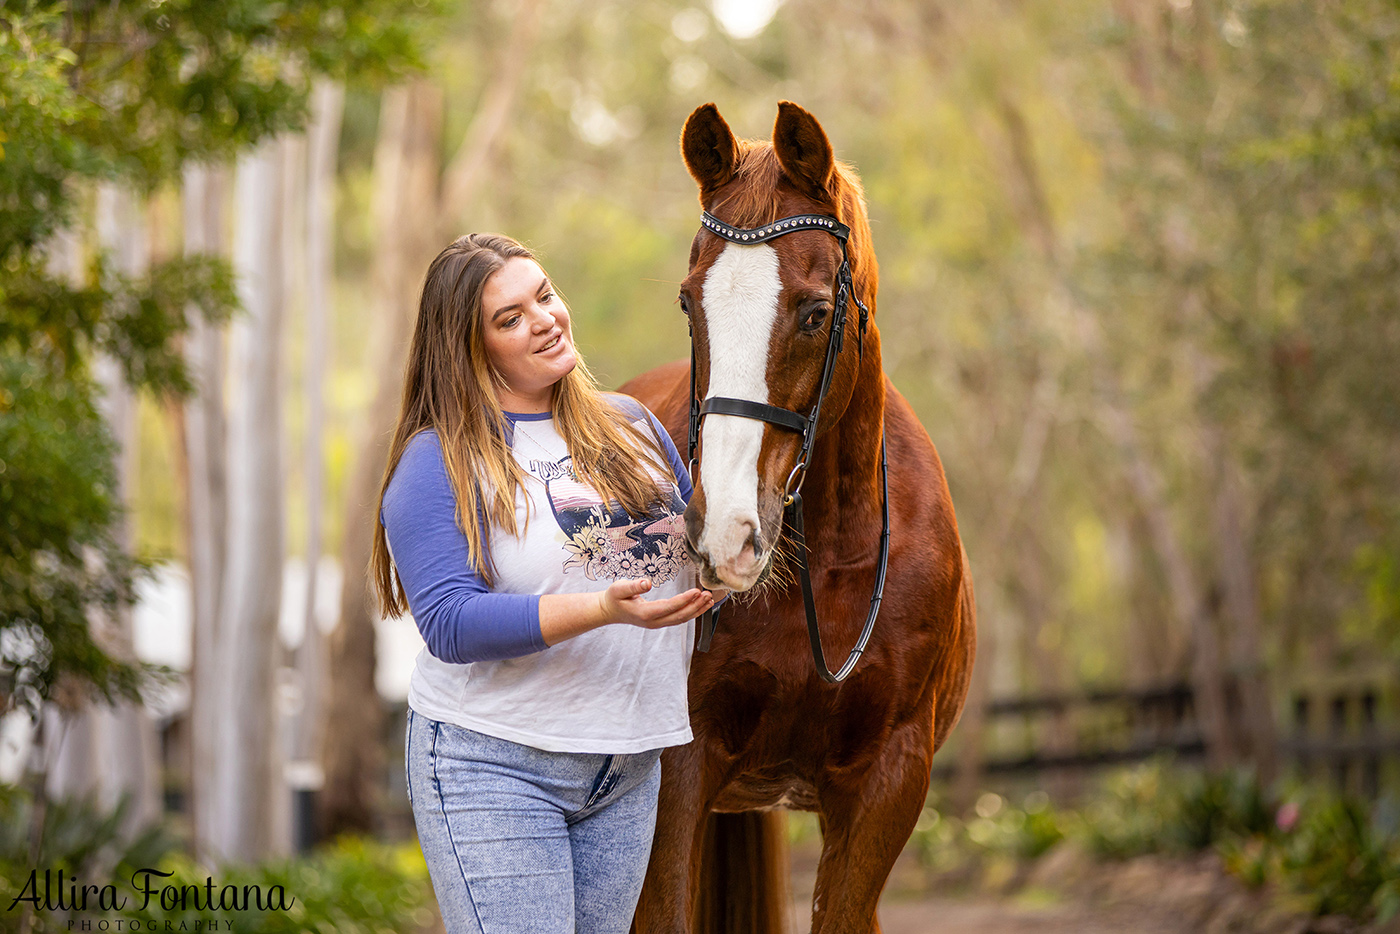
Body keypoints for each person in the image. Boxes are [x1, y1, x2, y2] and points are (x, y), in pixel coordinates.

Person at [370, 233, 715, 934]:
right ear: (470, 348)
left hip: (625, 767)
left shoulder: (633, 427)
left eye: (545, 296)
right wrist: (600, 609)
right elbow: (451, 624)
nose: (545, 319)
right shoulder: (438, 459)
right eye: (510, 317)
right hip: (494, 766)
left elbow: (693, 555)